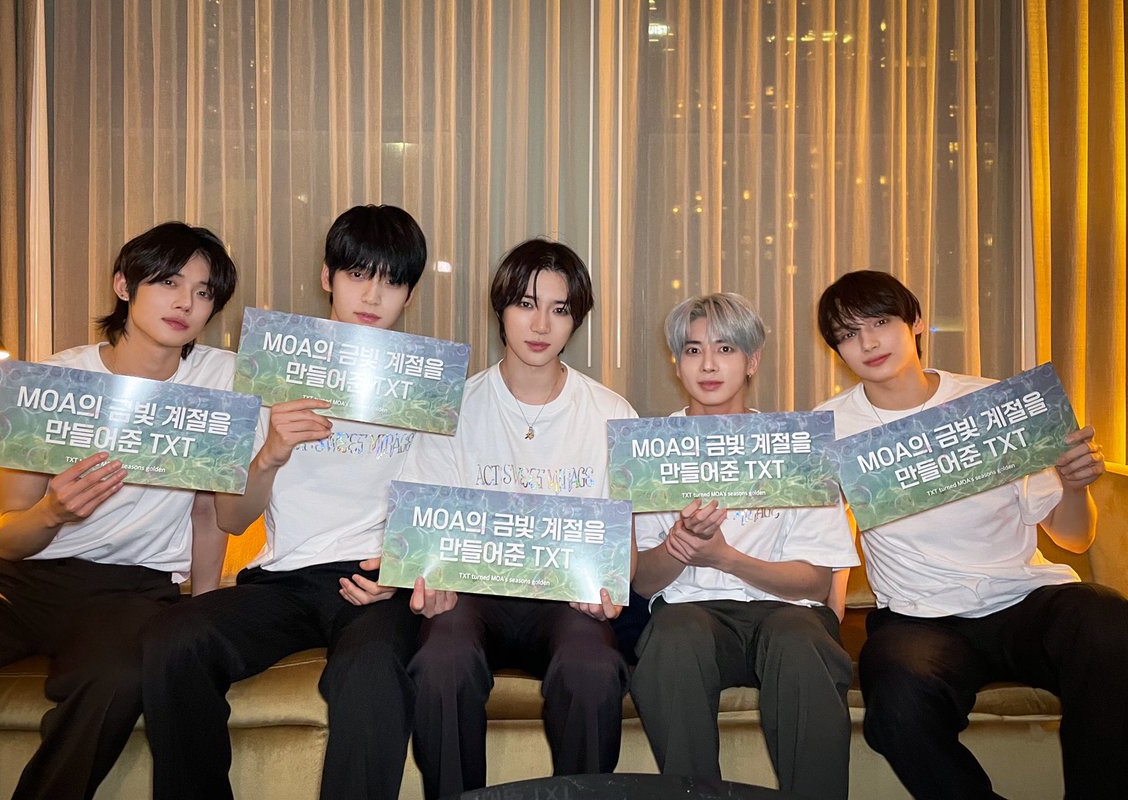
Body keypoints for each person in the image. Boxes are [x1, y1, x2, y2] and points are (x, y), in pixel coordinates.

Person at [0, 222, 238, 800]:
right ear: (124, 285)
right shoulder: (50, 381)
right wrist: (53, 512)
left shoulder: (221, 382)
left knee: (117, 680)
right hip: (20, 582)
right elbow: (9, 537)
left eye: (203, 292)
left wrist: (200, 611)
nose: (185, 303)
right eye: (168, 282)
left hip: (130, 592)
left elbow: (208, 515)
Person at [140, 205, 428, 800]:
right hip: (286, 578)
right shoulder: (276, 370)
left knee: (371, 672)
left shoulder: (424, 385)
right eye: (357, 275)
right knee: (175, 639)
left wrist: (403, 571)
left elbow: (441, 504)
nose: (373, 296)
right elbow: (232, 518)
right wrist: (270, 452)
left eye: (392, 281)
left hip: (376, 580)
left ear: (410, 293)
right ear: (327, 277)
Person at [815, 269, 1127, 799]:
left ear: (916, 321)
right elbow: (822, 541)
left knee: (1105, 617)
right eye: (848, 334)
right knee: (896, 700)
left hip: (1022, 601)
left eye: (880, 322)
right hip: (919, 616)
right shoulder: (830, 429)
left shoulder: (992, 405)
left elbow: (1073, 539)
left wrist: (1075, 487)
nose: (867, 343)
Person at [400, 238, 637, 799]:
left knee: (592, 669)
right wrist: (426, 582)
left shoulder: (610, 413)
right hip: (471, 596)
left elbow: (622, 543)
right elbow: (425, 529)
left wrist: (610, 587)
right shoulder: (455, 406)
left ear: (576, 320)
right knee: (442, 662)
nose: (540, 324)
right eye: (526, 304)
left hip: (566, 602)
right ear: (500, 308)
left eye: (560, 309)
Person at [630, 292, 857, 799]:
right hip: (691, 613)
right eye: (693, 350)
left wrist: (725, 557)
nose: (708, 365)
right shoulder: (650, 450)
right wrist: (681, 544)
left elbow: (815, 583)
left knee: (801, 641)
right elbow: (643, 582)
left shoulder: (796, 446)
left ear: (752, 361)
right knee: (673, 637)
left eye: (726, 349)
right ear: (677, 363)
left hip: (787, 611)